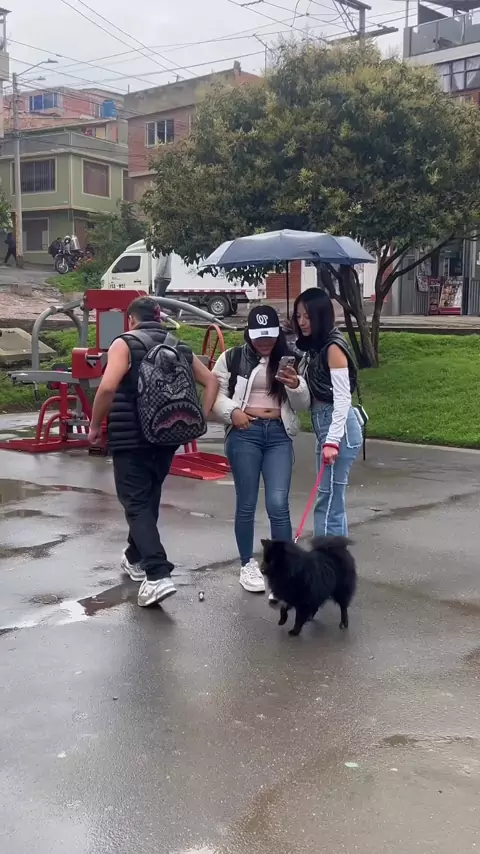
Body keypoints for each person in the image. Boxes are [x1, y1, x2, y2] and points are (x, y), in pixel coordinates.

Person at [88, 296, 219, 608]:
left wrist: (94, 426)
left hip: (130, 438)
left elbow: (107, 387)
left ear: (131, 320)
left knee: (135, 504)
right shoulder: (178, 345)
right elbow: (212, 380)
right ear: (158, 318)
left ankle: (157, 573)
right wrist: (200, 417)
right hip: (167, 435)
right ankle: (134, 557)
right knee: (147, 500)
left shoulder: (125, 343)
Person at [212, 305, 310, 593]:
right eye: (259, 337)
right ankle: (247, 564)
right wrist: (232, 413)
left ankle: (284, 565)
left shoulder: (293, 359)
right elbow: (215, 395)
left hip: (279, 433)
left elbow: (302, 404)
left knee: (278, 503)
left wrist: (295, 385)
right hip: (245, 432)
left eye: (270, 336)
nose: (264, 342)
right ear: (249, 334)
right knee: (247, 502)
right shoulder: (232, 358)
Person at [293, 287, 362, 537]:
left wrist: (332, 441)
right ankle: (337, 557)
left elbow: (343, 398)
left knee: (328, 502)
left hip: (338, 431)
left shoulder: (333, 347)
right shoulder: (316, 346)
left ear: (321, 316)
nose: (302, 322)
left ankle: (325, 557)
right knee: (332, 500)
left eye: (307, 316)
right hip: (326, 428)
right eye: (298, 316)